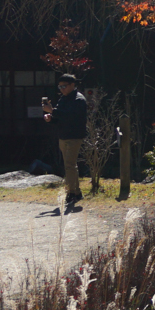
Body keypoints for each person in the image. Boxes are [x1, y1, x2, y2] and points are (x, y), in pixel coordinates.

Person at [42, 74, 88, 212]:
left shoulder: (79, 99)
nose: (61, 89)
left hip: (74, 136)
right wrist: (51, 118)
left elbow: (70, 116)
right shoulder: (63, 99)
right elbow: (60, 117)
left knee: (69, 164)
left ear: (73, 85)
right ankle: (75, 192)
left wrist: (53, 111)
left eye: (64, 86)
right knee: (70, 165)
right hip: (63, 135)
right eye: (60, 86)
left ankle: (72, 193)